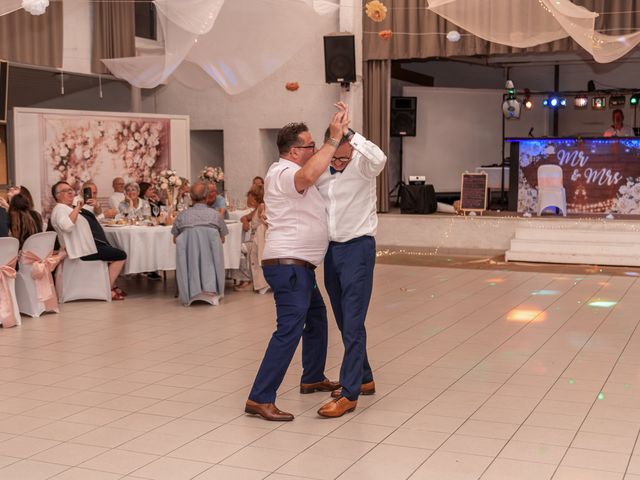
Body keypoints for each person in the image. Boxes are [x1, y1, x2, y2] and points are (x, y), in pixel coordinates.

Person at [244, 102, 350, 422]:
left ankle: (312, 376)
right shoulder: (284, 171)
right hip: (289, 266)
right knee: (288, 329)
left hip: (299, 265)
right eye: (310, 146)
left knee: (316, 316)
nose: (315, 149)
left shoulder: (288, 173)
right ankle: (260, 397)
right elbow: (308, 175)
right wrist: (333, 140)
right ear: (294, 151)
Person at [315, 125, 387, 418]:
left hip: (358, 248)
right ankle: (365, 378)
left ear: (352, 150)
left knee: (354, 320)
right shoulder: (322, 168)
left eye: (343, 159)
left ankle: (349, 393)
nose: (337, 164)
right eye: (334, 158)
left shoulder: (363, 166)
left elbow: (380, 158)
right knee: (345, 319)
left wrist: (352, 133)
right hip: (331, 251)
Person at [50, 181, 126, 300]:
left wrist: (91, 207)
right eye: (65, 191)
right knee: (120, 255)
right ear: (57, 195)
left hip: (84, 247)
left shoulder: (68, 208)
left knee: (112, 250)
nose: (70, 192)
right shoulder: (60, 209)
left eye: (71, 189)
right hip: (81, 250)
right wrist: (78, 208)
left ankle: (108, 286)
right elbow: (67, 226)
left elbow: (91, 218)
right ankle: (108, 288)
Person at [80, 181, 128, 297]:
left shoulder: (90, 203)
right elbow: (88, 223)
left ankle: (112, 285)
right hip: (87, 246)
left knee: (112, 246)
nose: (94, 195)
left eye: (96, 192)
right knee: (120, 254)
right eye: (91, 192)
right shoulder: (79, 205)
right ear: (82, 192)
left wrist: (97, 206)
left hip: (93, 241)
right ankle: (106, 289)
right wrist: (104, 215)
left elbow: (96, 215)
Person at [233, 186, 268, 293]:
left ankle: (246, 280)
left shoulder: (262, 207)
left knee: (237, 250)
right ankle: (247, 279)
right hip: (253, 240)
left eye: (250, 197)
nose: (248, 199)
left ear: (255, 198)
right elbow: (244, 217)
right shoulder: (257, 209)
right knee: (238, 249)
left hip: (259, 241)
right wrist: (245, 222)